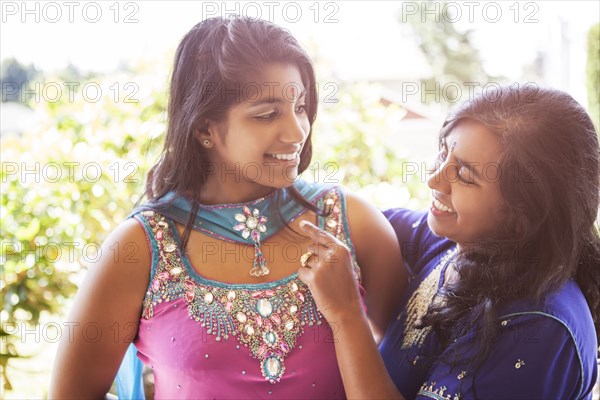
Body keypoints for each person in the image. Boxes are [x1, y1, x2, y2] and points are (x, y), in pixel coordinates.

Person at [49, 17, 405, 399]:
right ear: (204, 129)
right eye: (267, 114)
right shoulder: (137, 250)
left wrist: (347, 313)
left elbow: (412, 371)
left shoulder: (353, 224)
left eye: (300, 106)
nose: (297, 132)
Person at [298, 84, 600, 399]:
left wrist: (346, 314)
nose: (435, 179)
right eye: (444, 152)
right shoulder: (453, 243)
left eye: (466, 176)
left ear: (520, 217)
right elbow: (345, 219)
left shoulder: (536, 327)